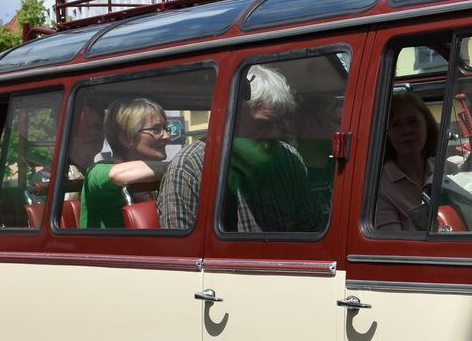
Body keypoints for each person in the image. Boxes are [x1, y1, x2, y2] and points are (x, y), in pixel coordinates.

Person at [159, 65, 324, 233]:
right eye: (264, 123)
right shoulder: (190, 167)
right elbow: (183, 252)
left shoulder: (288, 158)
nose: (275, 134)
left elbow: (311, 227)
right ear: (232, 117)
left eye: (281, 122)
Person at [79, 98, 170, 228]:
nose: (166, 136)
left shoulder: (157, 174)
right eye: (156, 129)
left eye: (166, 128)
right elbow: (116, 174)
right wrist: (178, 167)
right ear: (127, 139)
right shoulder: (97, 171)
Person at [373, 93, 439, 231]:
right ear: (387, 135)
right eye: (396, 125)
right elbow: (393, 246)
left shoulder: (449, 172)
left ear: (427, 125)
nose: (406, 131)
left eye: (413, 121)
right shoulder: (377, 188)